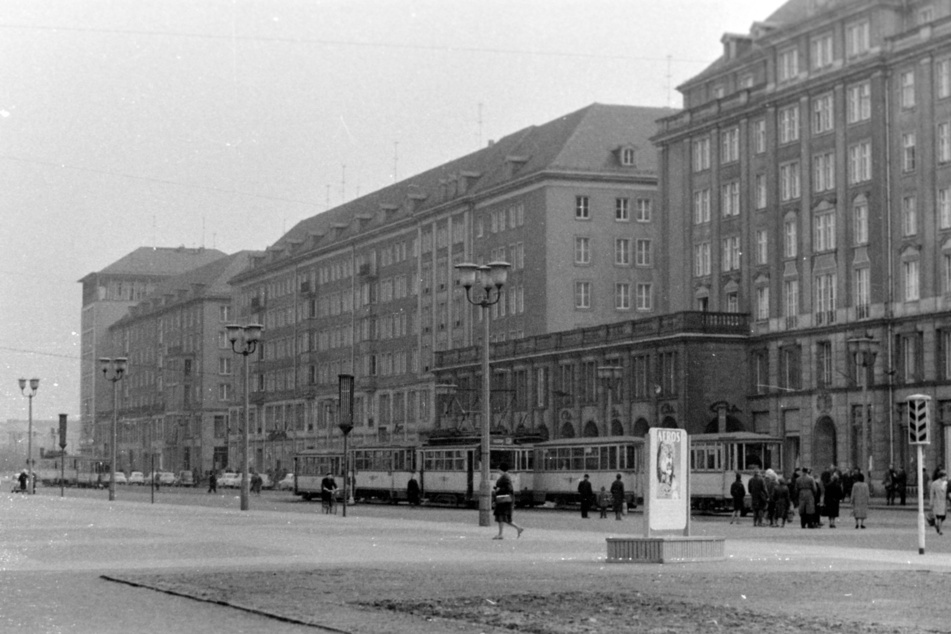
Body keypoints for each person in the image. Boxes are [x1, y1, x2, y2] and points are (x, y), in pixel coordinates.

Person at [492, 463, 523, 539]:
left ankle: (500, 534)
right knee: (504, 518)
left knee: (501, 517)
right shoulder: (505, 476)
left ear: (501, 469)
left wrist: (499, 489)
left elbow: (508, 488)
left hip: (504, 501)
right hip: (504, 500)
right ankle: (518, 528)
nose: (498, 471)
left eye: (499, 469)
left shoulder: (505, 477)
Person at [930, 470, 949, 535]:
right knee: (939, 516)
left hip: (943, 502)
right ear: (942, 476)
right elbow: (932, 493)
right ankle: (939, 530)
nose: (946, 477)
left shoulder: (946, 483)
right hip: (938, 501)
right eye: (945, 476)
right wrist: (931, 502)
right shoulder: (935, 483)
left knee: (943, 517)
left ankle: (937, 525)